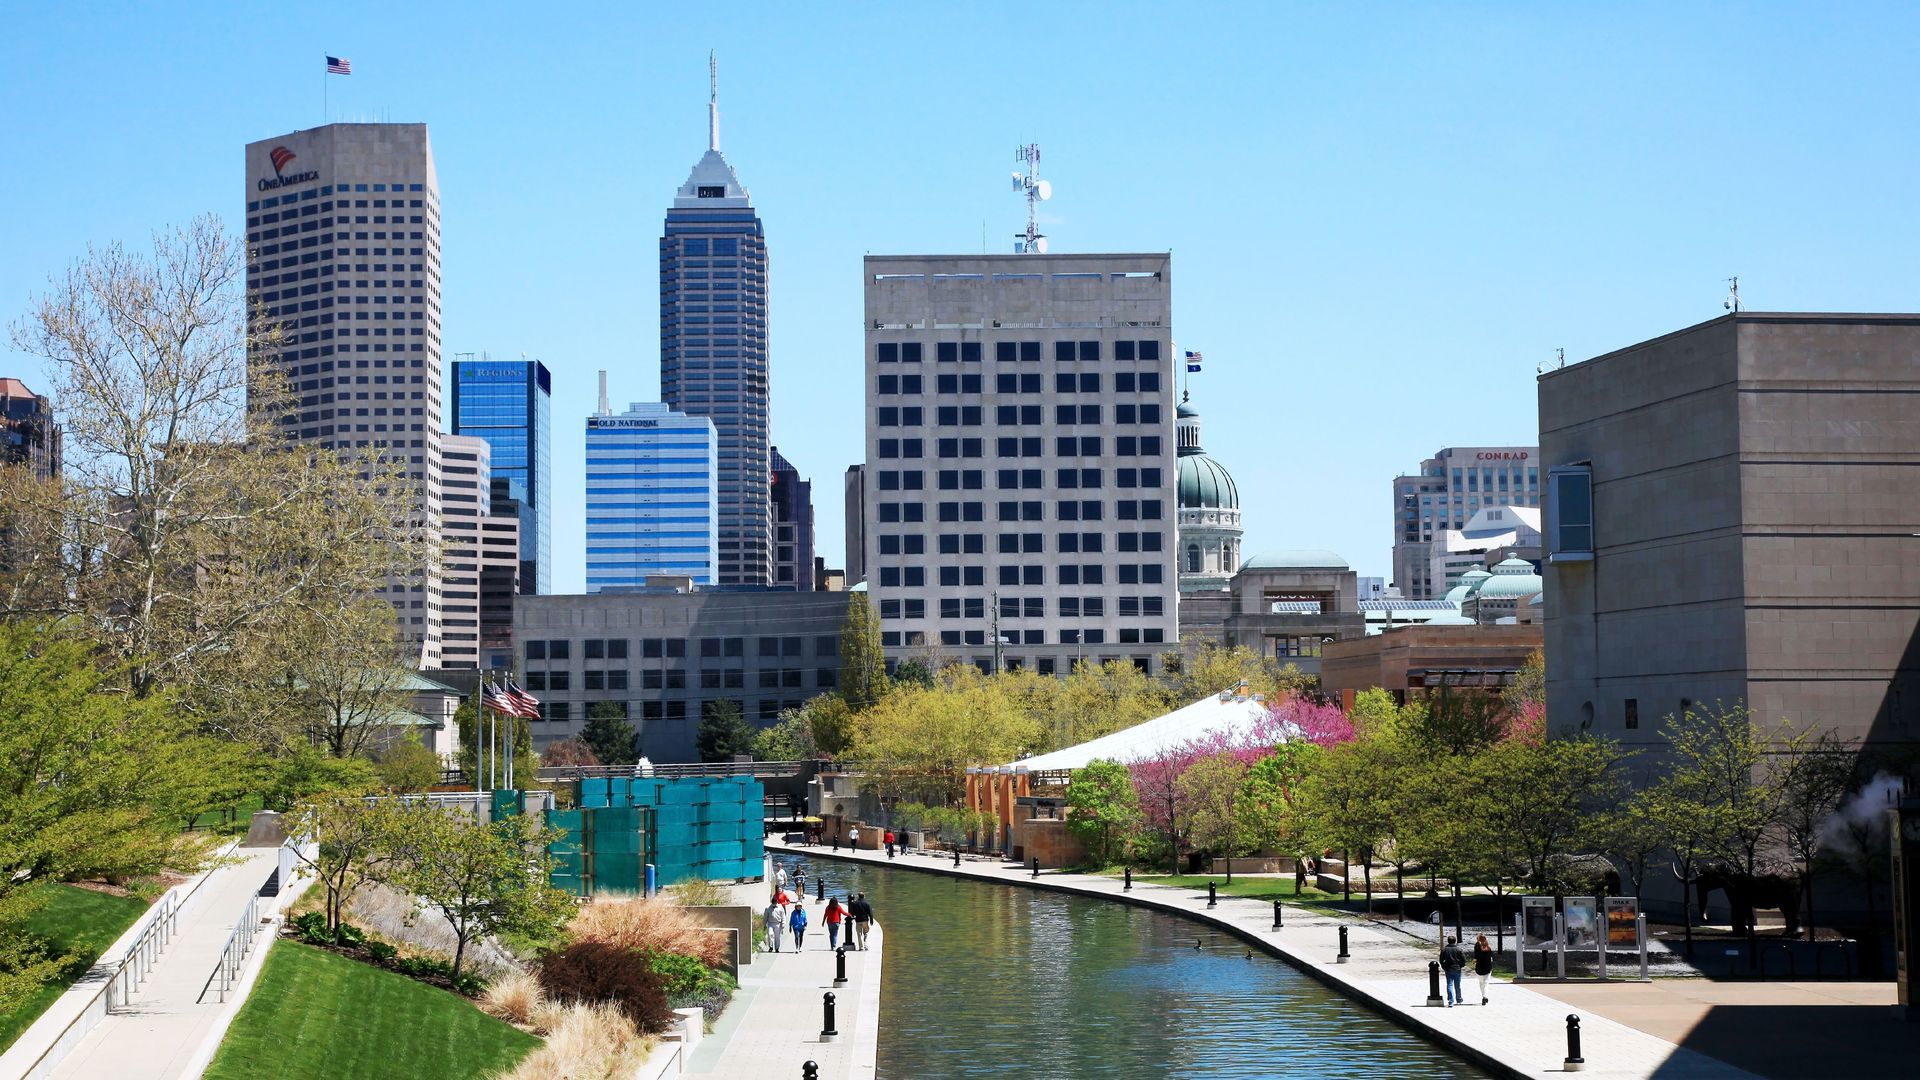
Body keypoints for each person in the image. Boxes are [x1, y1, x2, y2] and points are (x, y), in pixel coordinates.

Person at [1439, 936, 1467, 1007]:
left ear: (1448, 941)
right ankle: (1458, 999)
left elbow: (1441, 960)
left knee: (1449, 985)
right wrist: (1461, 965)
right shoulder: (1459, 949)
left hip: (1448, 969)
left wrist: (1444, 966)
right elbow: (1463, 960)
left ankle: (1451, 1001)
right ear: (1455, 941)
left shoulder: (1444, 950)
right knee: (1457, 985)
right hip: (1457, 969)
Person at [1472, 934, 1494, 1005]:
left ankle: (1484, 996)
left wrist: (1474, 961)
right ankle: (1484, 996)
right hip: (1488, 967)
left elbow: (1475, 957)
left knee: (1481, 983)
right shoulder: (1488, 947)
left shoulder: (1477, 947)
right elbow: (1491, 958)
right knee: (1486, 983)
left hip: (1479, 967)